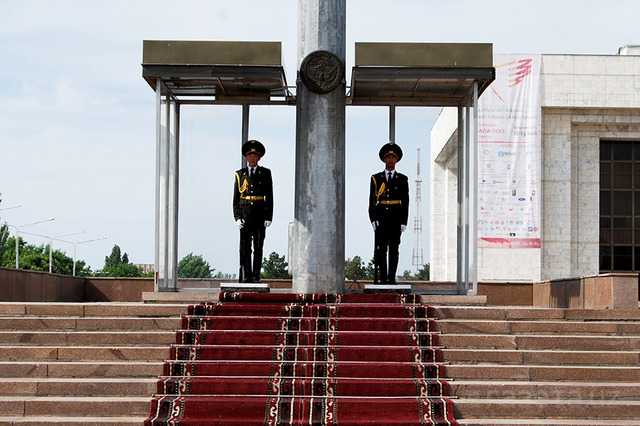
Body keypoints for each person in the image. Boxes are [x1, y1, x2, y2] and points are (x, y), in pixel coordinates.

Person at [368, 142, 409, 284]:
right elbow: (372, 201)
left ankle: (391, 278)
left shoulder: (403, 179)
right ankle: (382, 278)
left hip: (396, 219)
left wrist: (404, 221)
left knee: (394, 249)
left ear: (396, 160)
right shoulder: (376, 178)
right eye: (388, 157)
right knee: (381, 250)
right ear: (384, 160)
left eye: (393, 157)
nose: (390, 160)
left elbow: (405, 202)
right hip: (381, 218)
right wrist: (373, 219)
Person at [233, 140, 273, 283]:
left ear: (259, 158)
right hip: (244, 215)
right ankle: (246, 276)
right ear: (246, 157)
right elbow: (236, 199)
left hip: (259, 214)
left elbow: (270, 196)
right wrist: (237, 217)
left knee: (258, 246)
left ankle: (256, 276)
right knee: (245, 247)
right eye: (250, 155)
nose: (252, 158)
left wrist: (269, 216)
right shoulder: (240, 175)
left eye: (255, 156)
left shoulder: (265, 173)